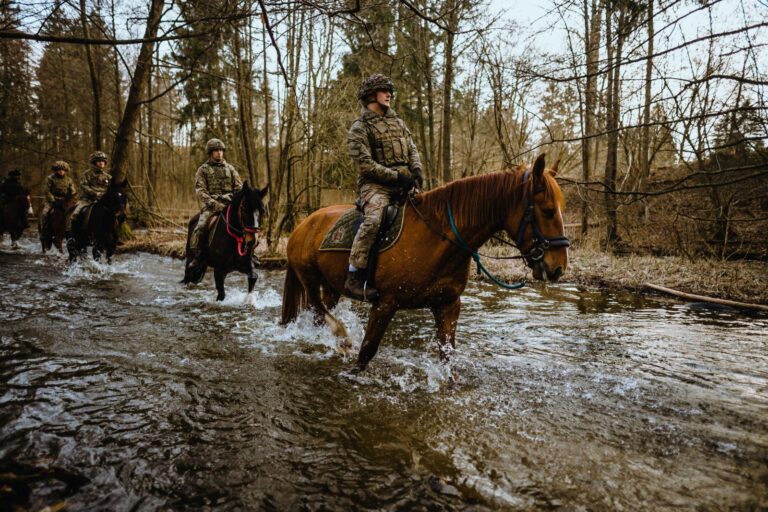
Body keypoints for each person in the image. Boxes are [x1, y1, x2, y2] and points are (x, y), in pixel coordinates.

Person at [345, 74, 423, 301]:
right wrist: (397, 176)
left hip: (404, 182)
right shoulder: (359, 127)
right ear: (371, 95)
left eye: (390, 90)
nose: (389, 94)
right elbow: (365, 165)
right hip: (375, 185)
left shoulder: (398, 122)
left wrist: (416, 170)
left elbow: (412, 149)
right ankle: (354, 275)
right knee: (373, 220)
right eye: (384, 90)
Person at [187, 138, 243, 270]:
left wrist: (234, 201)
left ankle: (249, 254)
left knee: (246, 224)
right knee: (201, 226)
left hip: (230, 205)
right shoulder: (203, 170)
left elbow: (239, 188)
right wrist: (214, 203)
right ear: (210, 152)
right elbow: (200, 191)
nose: (219, 153)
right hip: (212, 206)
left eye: (221, 150)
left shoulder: (231, 169)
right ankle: (199, 255)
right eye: (216, 150)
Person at [66, 151, 111, 246]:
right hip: (87, 200)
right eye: (99, 161)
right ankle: (72, 236)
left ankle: (112, 236)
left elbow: (111, 189)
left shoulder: (108, 177)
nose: (101, 163)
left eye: (103, 161)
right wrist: (94, 193)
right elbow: (83, 186)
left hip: (103, 201)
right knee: (75, 213)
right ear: (94, 162)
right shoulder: (87, 174)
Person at [41, 161, 76, 231]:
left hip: (65, 200)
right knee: (44, 213)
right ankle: (44, 229)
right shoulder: (50, 178)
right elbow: (46, 190)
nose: (61, 171)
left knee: (74, 212)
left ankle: (71, 230)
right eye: (59, 170)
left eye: (63, 170)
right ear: (56, 170)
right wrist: (52, 200)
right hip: (52, 200)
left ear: (65, 170)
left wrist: (70, 196)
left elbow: (73, 190)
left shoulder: (69, 179)